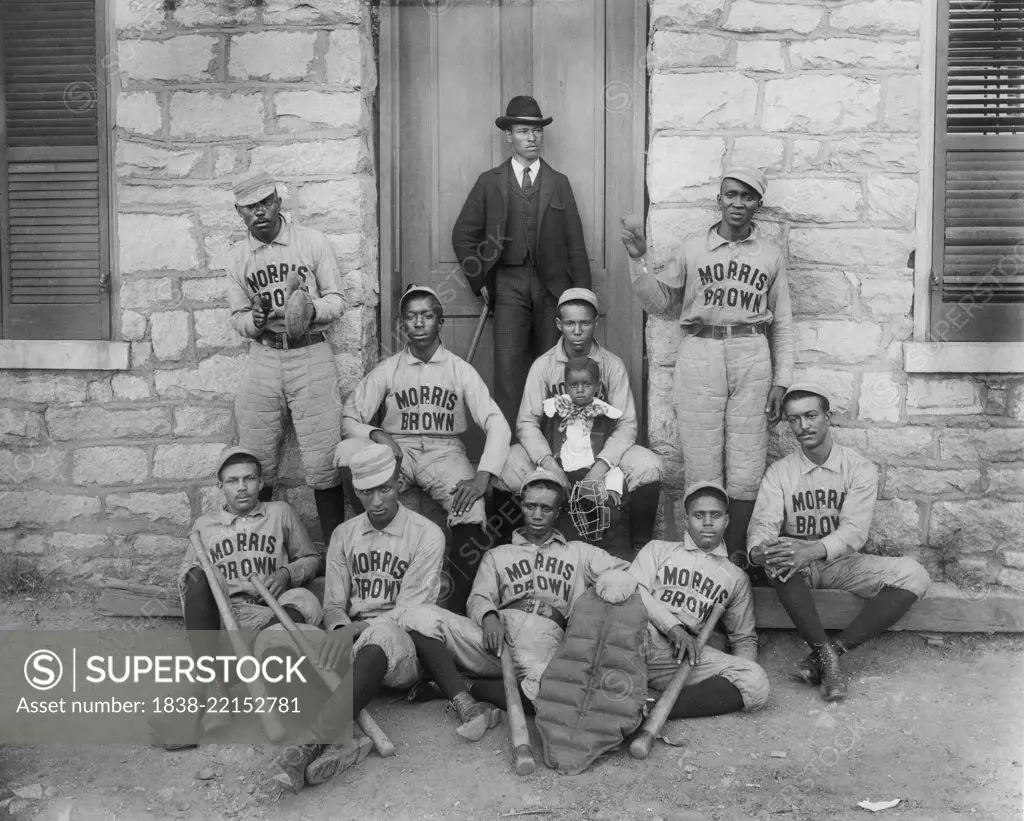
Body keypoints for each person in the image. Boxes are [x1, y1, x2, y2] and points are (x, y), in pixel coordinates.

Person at [620, 168, 794, 565]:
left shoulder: (769, 255)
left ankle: (735, 559)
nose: (738, 204)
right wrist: (637, 260)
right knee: (701, 461)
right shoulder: (693, 247)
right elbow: (660, 302)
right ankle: (700, 560)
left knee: (748, 465)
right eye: (731, 195)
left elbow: (782, 322)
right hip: (701, 350)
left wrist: (781, 381)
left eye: (747, 197)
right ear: (719, 199)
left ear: (758, 205)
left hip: (751, 351)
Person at [267, 441, 446, 792]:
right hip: (350, 641)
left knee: (379, 635)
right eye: (366, 492)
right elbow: (334, 603)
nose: (377, 502)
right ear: (356, 492)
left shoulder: (427, 535)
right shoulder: (344, 535)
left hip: (399, 649)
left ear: (399, 484)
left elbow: (410, 612)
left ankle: (308, 745)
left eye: (385, 489)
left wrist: (355, 630)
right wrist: (338, 628)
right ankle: (348, 742)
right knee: (278, 639)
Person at [401, 469, 630, 740]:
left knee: (558, 697)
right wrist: (488, 616)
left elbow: (623, 574)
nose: (536, 514)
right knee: (418, 616)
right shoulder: (498, 555)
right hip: (493, 640)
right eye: (530, 505)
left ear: (558, 513)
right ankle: (464, 701)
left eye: (546, 508)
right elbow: (479, 597)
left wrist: (601, 601)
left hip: (544, 640)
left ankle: (462, 685)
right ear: (521, 505)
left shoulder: (579, 552)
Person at [746, 385, 931, 702]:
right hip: (795, 565)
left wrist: (813, 550)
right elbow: (763, 523)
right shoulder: (780, 472)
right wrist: (759, 550)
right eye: (794, 420)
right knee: (779, 557)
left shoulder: (857, 467)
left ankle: (833, 650)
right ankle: (826, 658)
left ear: (827, 417)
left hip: (841, 563)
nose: (803, 426)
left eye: (810, 415)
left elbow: (855, 531)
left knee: (914, 575)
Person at [339, 285, 511, 614]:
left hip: (444, 451)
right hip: (397, 448)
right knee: (348, 454)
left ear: (440, 321)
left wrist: (482, 478)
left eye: (427, 315)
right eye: (411, 317)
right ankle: (372, 587)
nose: (419, 323)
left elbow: (497, 423)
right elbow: (350, 416)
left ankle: (458, 610)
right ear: (403, 324)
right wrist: (377, 435)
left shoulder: (459, 369)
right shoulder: (389, 368)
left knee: (471, 509)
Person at [151, 446, 323, 750]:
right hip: (224, 615)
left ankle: (217, 687)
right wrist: (212, 581)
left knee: (306, 601)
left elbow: (311, 558)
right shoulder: (204, 526)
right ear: (221, 487)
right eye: (232, 481)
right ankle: (214, 689)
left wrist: (286, 573)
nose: (241, 487)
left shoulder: (279, 513)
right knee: (197, 573)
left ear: (260, 482)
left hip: (271, 613)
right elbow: (187, 582)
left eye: (249, 479)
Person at [451, 95, 591, 427]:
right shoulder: (490, 182)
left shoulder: (559, 182)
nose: (532, 138)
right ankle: (510, 455)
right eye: (523, 131)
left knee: (553, 370)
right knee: (509, 371)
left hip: (551, 288)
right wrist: (481, 282)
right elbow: (462, 235)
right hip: (508, 286)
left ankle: (552, 450)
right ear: (509, 136)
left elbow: (575, 244)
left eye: (537, 131)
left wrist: (582, 299)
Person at [225, 171, 347, 545]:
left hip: (310, 351)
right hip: (265, 354)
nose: (259, 213)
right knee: (255, 455)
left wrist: (310, 310)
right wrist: (254, 320)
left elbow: (338, 301)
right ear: (239, 212)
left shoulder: (312, 243)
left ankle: (333, 552)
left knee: (325, 458)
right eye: (250, 208)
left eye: (266, 203)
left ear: (279, 201)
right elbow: (237, 317)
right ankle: (257, 548)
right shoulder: (238, 256)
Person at [497, 287, 663, 553]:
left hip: (602, 454)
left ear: (595, 323)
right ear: (558, 324)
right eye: (570, 323)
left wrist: (601, 467)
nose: (577, 331)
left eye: (584, 323)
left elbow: (627, 424)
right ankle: (507, 549)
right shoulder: (544, 365)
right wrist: (548, 463)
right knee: (505, 463)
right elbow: (526, 423)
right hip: (554, 452)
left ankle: (638, 549)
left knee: (648, 465)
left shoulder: (611, 365)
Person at [629, 481, 769, 718]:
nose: (707, 522)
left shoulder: (735, 577)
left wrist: (736, 673)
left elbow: (743, 639)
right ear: (687, 519)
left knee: (755, 680)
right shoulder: (658, 550)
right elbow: (634, 591)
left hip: (682, 656)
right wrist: (673, 627)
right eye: (699, 515)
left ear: (727, 520)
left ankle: (651, 709)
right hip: (641, 637)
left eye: (715, 515)